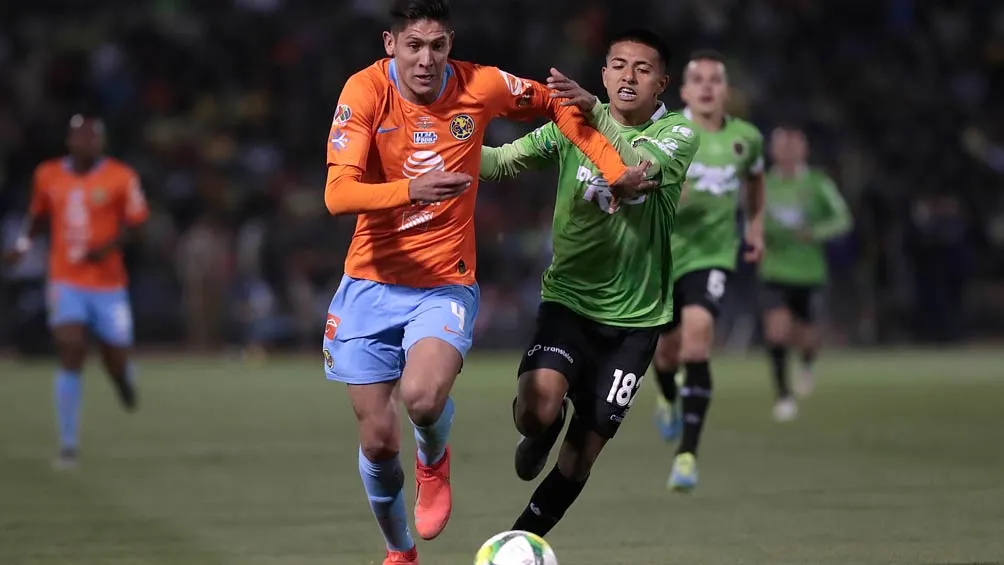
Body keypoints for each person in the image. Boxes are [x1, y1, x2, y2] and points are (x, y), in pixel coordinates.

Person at [321, 2, 650, 563]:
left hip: (443, 283)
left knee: (423, 400)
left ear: (451, 44)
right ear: (390, 44)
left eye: (438, 46)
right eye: (413, 46)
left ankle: (433, 459)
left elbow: (556, 104)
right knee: (376, 441)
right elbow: (338, 194)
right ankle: (400, 552)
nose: (426, 60)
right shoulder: (365, 91)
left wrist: (614, 169)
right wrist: (410, 190)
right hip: (370, 281)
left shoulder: (481, 84)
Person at [479, 28, 699, 537]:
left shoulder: (679, 135)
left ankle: (520, 542)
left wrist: (593, 114)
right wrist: (445, 146)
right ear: (603, 74)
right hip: (569, 303)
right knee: (535, 412)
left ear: (661, 83)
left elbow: (637, 171)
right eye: (618, 65)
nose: (628, 76)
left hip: (635, 322)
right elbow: (503, 161)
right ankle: (543, 428)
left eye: (642, 69)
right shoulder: (571, 122)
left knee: (579, 458)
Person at [3, 114, 149, 469]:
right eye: (81, 137)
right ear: (69, 141)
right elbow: (37, 216)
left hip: (109, 284)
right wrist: (22, 245)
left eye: (93, 137)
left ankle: (122, 379)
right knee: (71, 347)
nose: (87, 143)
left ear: (102, 142)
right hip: (66, 279)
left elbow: (138, 225)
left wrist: (108, 247)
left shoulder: (121, 177)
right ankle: (68, 445)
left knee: (115, 357)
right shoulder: (47, 175)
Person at [649, 49, 766, 492]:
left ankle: (687, 456)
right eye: (698, 79)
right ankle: (666, 395)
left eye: (715, 80)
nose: (707, 87)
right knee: (666, 353)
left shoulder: (746, 139)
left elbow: (756, 180)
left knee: (697, 340)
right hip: (662, 255)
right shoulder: (668, 132)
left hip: (713, 255)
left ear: (726, 90)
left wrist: (755, 226)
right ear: (684, 90)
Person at [759, 125, 852, 420]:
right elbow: (751, 219)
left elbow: (842, 219)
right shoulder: (762, 184)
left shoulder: (818, 183)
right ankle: (783, 395)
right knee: (777, 330)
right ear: (773, 151)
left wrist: (815, 233)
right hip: (774, 269)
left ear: (804, 150)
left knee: (807, 337)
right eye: (782, 146)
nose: (787, 152)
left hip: (809, 272)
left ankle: (807, 363)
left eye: (793, 146)